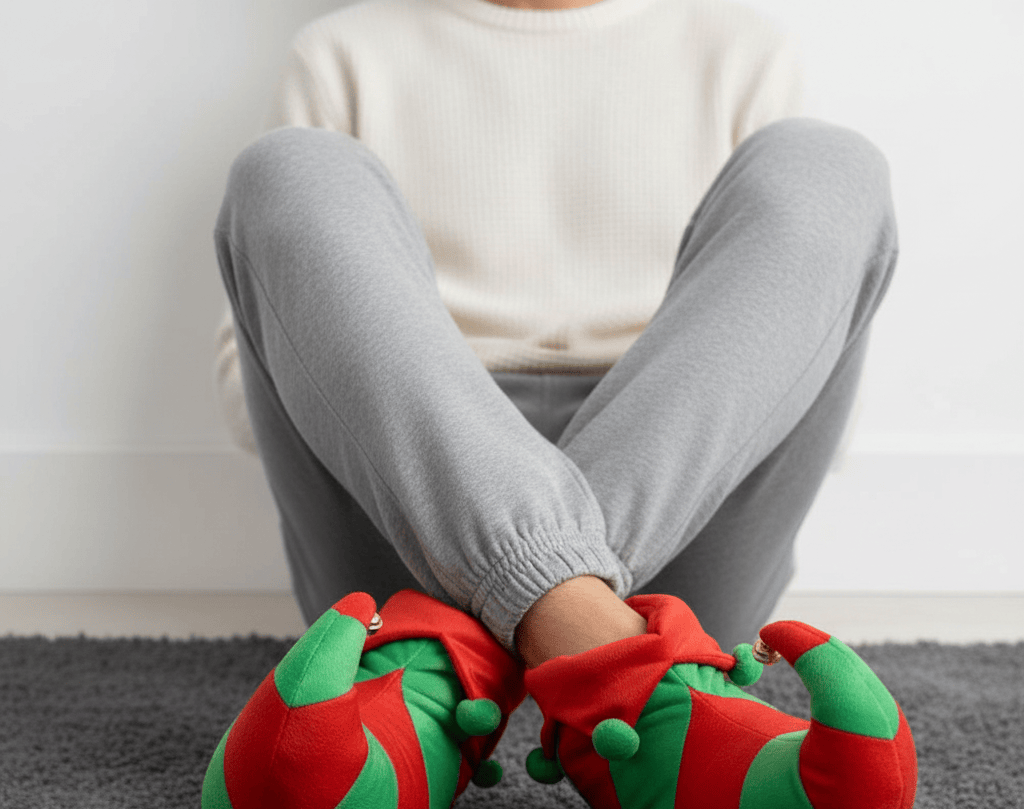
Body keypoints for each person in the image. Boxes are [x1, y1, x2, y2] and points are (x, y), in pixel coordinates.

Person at [212, 0, 898, 671]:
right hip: (413, 481)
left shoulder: (743, 48)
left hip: (675, 490)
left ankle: (512, 646)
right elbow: (255, 371)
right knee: (289, 169)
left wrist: (596, 496)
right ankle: (618, 663)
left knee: (830, 165)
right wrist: (470, 479)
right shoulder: (342, 51)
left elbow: (797, 348)